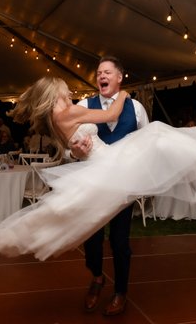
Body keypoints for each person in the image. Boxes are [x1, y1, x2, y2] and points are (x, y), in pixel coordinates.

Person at [0, 76, 196, 312]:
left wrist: (77, 150)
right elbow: (110, 116)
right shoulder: (67, 112)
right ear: (54, 90)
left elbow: (75, 145)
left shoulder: (58, 117)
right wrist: (123, 95)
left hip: (107, 163)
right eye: (64, 86)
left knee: (156, 143)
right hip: (106, 167)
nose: (69, 89)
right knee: (156, 136)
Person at [71, 56, 149, 316]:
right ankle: (96, 277)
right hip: (93, 185)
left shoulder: (136, 108)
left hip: (122, 187)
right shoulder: (84, 104)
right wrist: (76, 153)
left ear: (119, 77)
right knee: (92, 238)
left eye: (106, 72)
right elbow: (69, 149)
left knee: (119, 241)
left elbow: (145, 143)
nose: (101, 76)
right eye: (98, 73)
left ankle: (121, 291)